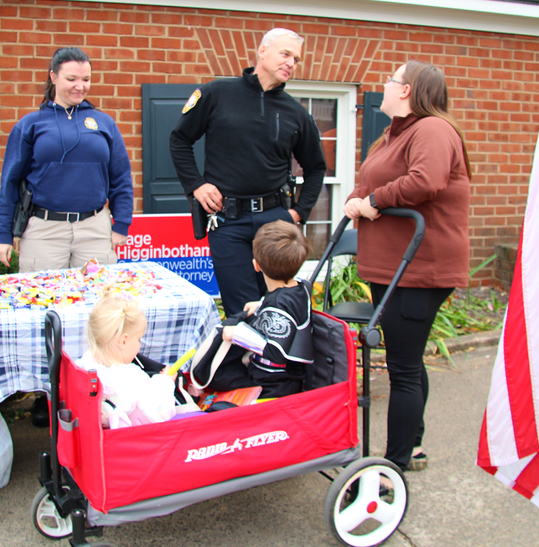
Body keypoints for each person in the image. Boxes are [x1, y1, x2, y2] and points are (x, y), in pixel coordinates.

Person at [343, 60, 470, 473]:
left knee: (402, 368)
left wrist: (375, 202)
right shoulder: (393, 134)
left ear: (408, 89)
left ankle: (393, 466)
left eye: (391, 80)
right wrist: (357, 198)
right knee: (407, 360)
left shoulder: (433, 130)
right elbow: (372, 178)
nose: (385, 84)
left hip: (420, 269)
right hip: (391, 268)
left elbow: (424, 181)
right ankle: (411, 446)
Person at [169, 28, 327, 317]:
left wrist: (299, 213)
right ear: (262, 51)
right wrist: (196, 186)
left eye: (297, 59)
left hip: (276, 222)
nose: (292, 63)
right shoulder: (216, 93)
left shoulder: (297, 113)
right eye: (286, 54)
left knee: (278, 308)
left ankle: (275, 362)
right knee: (241, 312)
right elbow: (180, 139)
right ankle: (245, 361)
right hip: (228, 222)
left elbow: (316, 168)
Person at [0, 47, 133, 272]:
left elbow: (121, 177)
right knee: (41, 298)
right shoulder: (30, 124)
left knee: (98, 300)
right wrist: (4, 235)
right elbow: (10, 182)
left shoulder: (105, 123)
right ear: (53, 76)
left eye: (86, 79)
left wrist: (122, 224)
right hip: (44, 230)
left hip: (95, 229)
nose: (80, 86)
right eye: (72, 79)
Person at [220, 220, 314, 398]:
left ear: (256, 265)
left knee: (222, 377)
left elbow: (275, 352)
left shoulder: (279, 304)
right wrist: (261, 305)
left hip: (273, 384)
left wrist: (237, 333)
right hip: (282, 377)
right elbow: (290, 309)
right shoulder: (301, 287)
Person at [75, 294, 179, 428]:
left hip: (94, 441)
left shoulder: (85, 367)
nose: (139, 346)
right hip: (136, 442)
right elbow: (161, 411)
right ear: (123, 341)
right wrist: (166, 382)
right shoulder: (131, 378)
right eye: (138, 339)